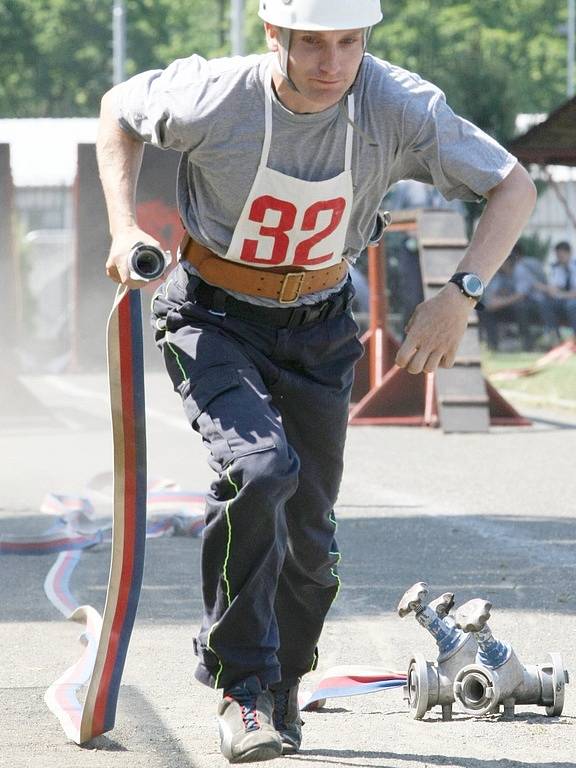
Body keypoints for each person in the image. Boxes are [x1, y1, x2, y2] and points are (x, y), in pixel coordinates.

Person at [96, 1, 536, 761]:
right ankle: (239, 685)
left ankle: (283, 683)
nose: (331, 64)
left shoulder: (399, 105)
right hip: (212, 316)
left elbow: (514, 184)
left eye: (347, 43)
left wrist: (459, 294)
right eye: (310, 45)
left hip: (321, 327)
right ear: (275, 36)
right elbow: (118, 112)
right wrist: (123, 225)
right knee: (259, 469)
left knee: (312, 539)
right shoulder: (213, 96)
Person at [546, 241, 576, 336]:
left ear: (569, 253)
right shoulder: (557, 268)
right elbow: (553, 289)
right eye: (558, 255)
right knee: (547, 304)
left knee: (571, 306)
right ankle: (553, 335)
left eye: (561, 255)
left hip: (571, 300)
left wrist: (561, 294)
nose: (559, 258)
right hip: (564, 298)